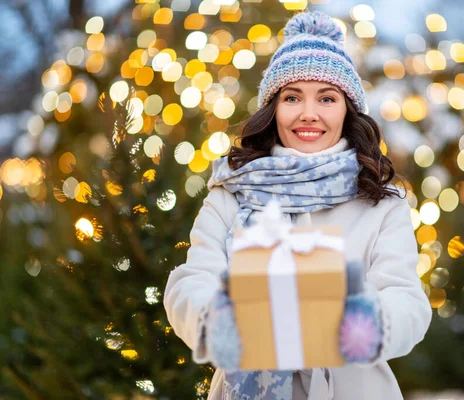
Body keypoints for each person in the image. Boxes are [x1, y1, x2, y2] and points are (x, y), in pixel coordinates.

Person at [163, 10, 432, 400]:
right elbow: (193, 279)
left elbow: (407, 300)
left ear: (347, 109)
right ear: (273, 109)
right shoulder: (231, 192)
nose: (309, 113)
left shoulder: (381, 204)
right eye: (292, 97)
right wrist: (218, 319)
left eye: (326, 97)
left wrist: (360, 324)